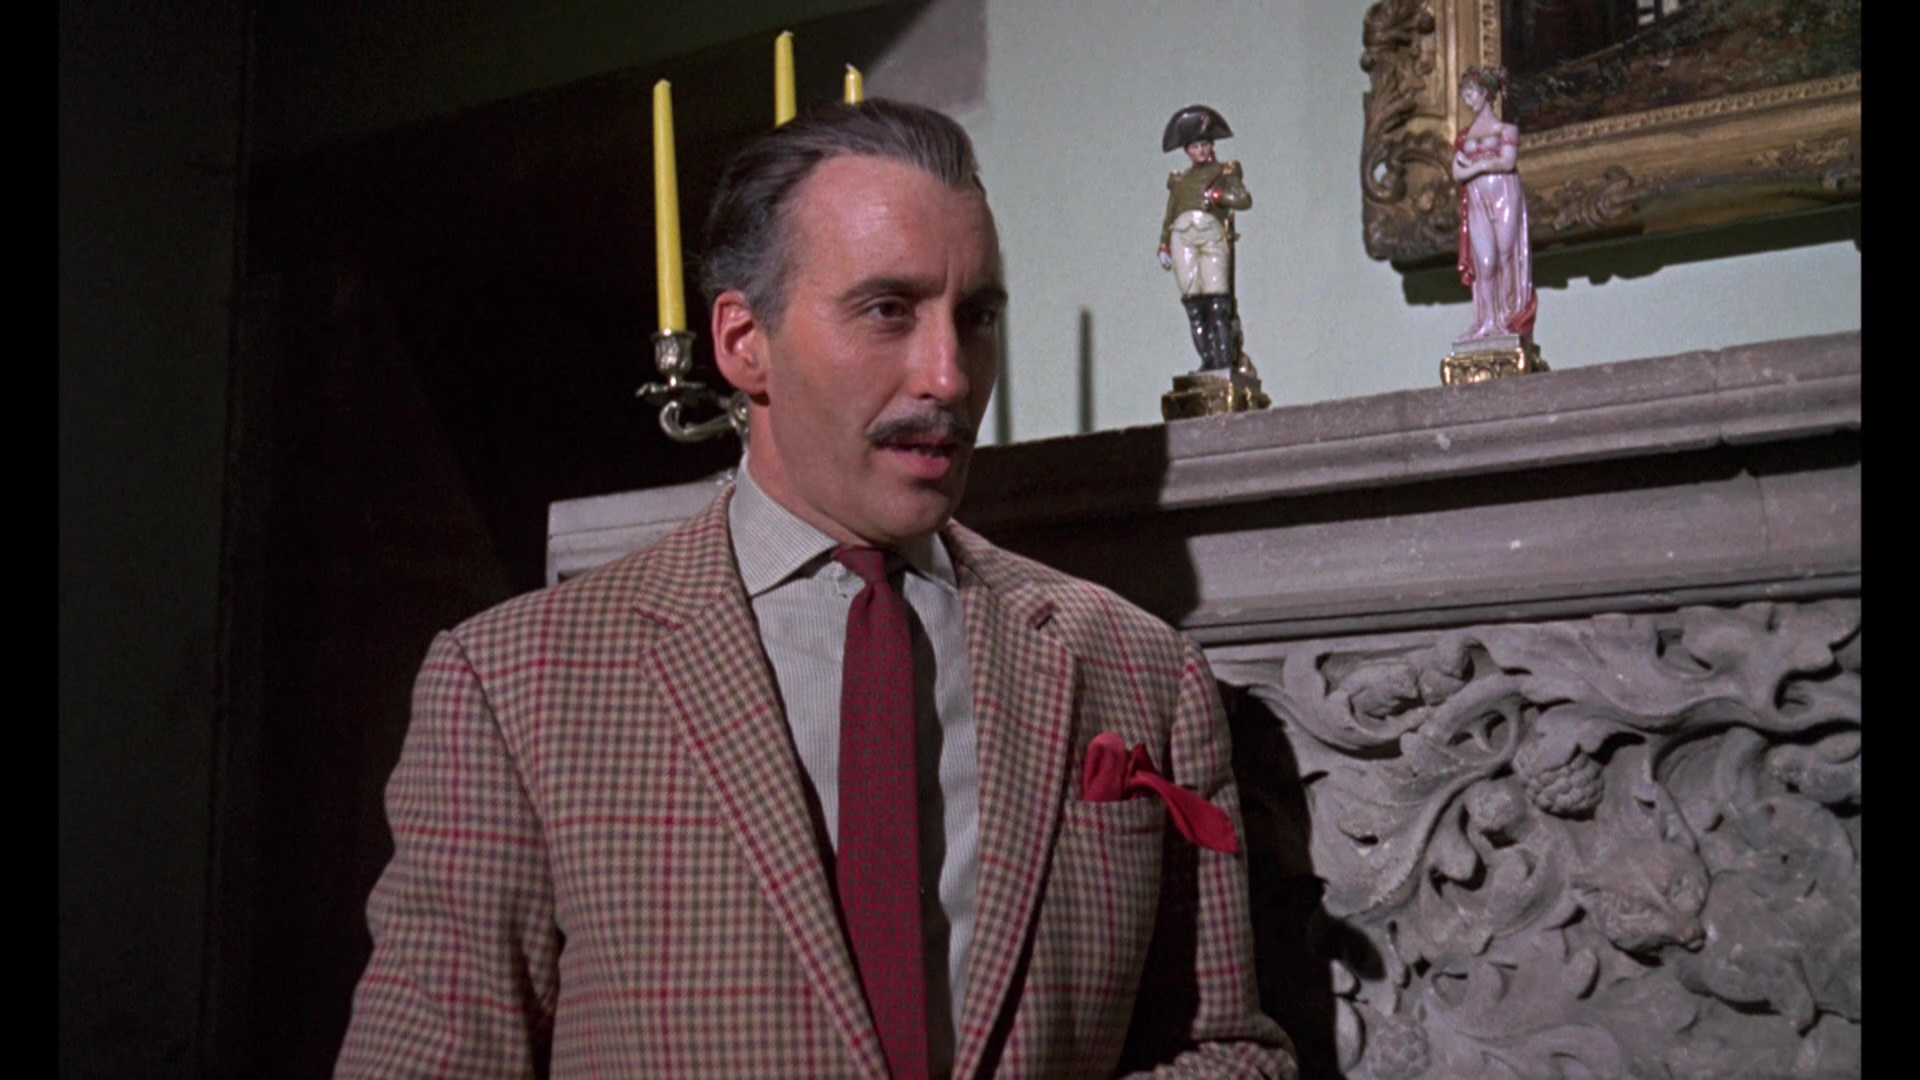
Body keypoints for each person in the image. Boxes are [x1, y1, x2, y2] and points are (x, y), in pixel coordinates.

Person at [335, 99, 1293, 1079]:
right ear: (743, 341)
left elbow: (1228, 1053)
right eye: (888, 310)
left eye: (976, 317)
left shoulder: (1139, 671)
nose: (950, 376)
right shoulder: (514, 686)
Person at [1157, 105, 1251, 377]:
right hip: (1182, 236)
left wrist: (1221, 196)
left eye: (1204, 145)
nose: (1200, 150)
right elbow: (1171, 214)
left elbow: (1243, 199)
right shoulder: (1180, 180)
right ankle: (1208, 361)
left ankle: (1223, 360)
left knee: (1217, 300)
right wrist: (1164, 243)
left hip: (1210, 234)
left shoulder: (1225, 172)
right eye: (1195, 146)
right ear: (1187, 150)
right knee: (1194, 303)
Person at [1452, 66, 1538, 342]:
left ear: (1487, 93)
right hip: (1477, 198)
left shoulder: (1506, 129)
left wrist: (1477, 166)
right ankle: (1486, 321)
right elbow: (1457, 173)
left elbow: (1508, 162)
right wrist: (1481, 166)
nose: (1468, 101)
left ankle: (1507, 319)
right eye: (1465, 96)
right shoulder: (1464, 137)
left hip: (1505, 193)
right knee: (1486, 262)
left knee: (1505, 254)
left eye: (1472, 94)